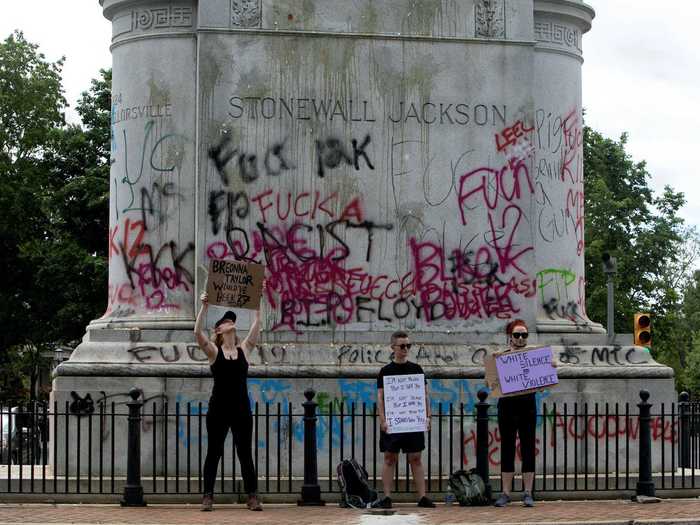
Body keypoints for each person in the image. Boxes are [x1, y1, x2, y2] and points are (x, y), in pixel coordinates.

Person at [195, 290, 264, 512]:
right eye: (225, 321)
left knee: (244, 452)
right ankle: (208, 496)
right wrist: (204, 308)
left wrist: (257, 301)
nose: (230, 323)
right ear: (219, 330)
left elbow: (257, 325)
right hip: (218, 409)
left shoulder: (244, 349)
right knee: (214, 452)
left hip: (242, 409)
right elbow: (197, 333)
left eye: (231, 320)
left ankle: (252, 496)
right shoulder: (215, 352)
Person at [374, 330, 435, 509]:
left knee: (415, 458)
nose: (406, 349)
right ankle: (386, 497)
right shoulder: (385, 371)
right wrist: (382, 419)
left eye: (408, 345)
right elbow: (380, 397)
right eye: (402, 346)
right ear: (393, 347)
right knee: (389, 458)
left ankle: (422, 497)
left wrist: (428, 416)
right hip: (394, 421)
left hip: (412, 421)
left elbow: (424, 395)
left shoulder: (416, 369)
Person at [493, 318, 543, 508]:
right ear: (510, 337)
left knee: (528, 448)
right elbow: (492, 383)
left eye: (524, 335)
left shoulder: (533, 358)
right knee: (507, 448)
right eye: (517, 335)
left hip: (527, 406)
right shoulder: (501, 357)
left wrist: (550, 368)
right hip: (507, 407)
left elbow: (540, 385)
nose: (521, 338)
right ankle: (505, 492)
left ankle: (528, 492)